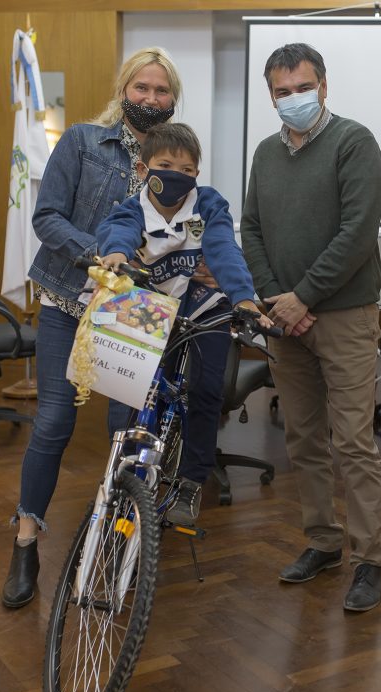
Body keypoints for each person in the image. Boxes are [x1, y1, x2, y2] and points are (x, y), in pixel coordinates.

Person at [2, 47, 184, 609]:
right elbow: (46, 217)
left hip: (134, 311)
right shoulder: (82, 141)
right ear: (123, 89)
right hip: (67, 299)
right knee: (54, 420)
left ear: (173, 99)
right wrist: (95, 255)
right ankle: (26, 539)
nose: (150, 99)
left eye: (161, 92)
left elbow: (184, 229)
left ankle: (112, 534)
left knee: (122, 429)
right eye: (141, 89)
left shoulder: (177, 159)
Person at [241, 43, 381, 612]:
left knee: (352, 441)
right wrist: (279, 301)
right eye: (282, 92)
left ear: (323, 86)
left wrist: (302, 297)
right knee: (302, 437)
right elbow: (250, 229)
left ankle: (369, 558)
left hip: (344, 316)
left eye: (303, 88)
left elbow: (356, 234)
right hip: (285, 319)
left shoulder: (355, 143)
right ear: (271, 96)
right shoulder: (265, 153)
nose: (293, 99)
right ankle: (323, 542)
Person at [95, 122, 273, 526]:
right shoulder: (131, 208)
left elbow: (222, 246)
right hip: (148, 306)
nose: (178, 175)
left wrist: (244, 297)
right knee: (129, 391)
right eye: (166, 165)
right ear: (143, 171)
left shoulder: (207, 205)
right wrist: (118, 254)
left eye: (189, 170)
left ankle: (192, 482)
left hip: (203, 305)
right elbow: (117, 231)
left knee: (206, 390)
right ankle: (126, 475)